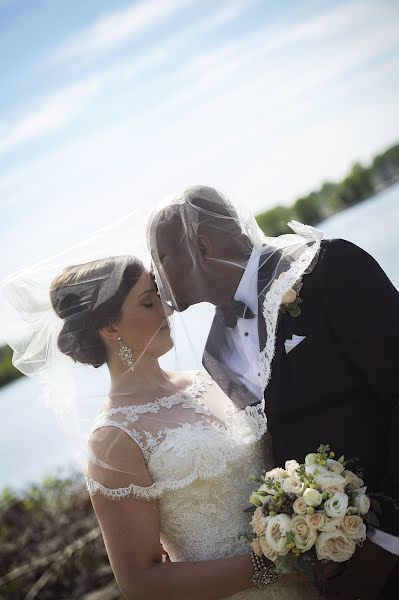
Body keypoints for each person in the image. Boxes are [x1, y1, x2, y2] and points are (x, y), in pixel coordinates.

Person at [148, 185, 399, 600]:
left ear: (202, 245)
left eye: (161, 257)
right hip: (330, 566)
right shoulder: (216, 352)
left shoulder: (327, 269)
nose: (155, 275)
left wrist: (386, 544)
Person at [47, 254, 318, 600]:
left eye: (159, 296)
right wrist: (274, 565)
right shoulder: (114, 439)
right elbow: (141, 583)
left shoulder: (209, 379)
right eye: (148, 302)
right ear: (110, 327)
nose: (167, 310)